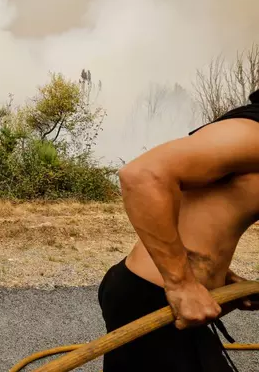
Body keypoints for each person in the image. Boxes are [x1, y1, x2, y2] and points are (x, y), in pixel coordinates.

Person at [98, 90, 259, 371]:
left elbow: (207, 213)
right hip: (151, 298)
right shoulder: (252, 133)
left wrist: (221, 278)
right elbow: (142, 176)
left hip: (172, 300)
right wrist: (182, 284)